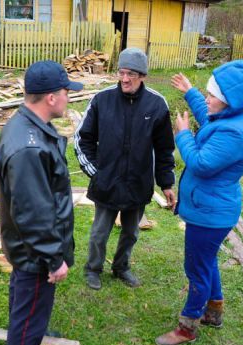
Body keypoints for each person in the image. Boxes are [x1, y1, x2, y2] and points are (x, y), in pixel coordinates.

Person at [155, 60, 243, 345]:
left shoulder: (234, 133)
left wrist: (183, 135)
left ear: (229, 102)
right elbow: (210, 115)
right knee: (207, 260)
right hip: (211, 209)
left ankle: (188, 326)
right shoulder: (231, 117)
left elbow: (200, 163)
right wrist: (191, 92)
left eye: (212, 95)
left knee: (197, 269)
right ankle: (214, 311)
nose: (208, 99)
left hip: (209, 214)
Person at [0, 60, 83, 345]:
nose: (68, 98)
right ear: (50, 98)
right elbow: (32, 213)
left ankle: (33, 329)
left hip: (26, 247)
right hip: (34, 251)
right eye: (65, 93)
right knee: (29, 305)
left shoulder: (26, 125)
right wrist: (53, 258)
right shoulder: (29, 146)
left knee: (28, 302)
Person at [74, 47, 176, 290]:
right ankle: (93, 268)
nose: (125, 79)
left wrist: (167, 183)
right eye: (121, 73)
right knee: (100, 232)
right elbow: (82, 138)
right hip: (106, 182)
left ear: (142, 76)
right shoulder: (102, 99)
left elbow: (164, 149)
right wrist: (95, 172)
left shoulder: (156, 104)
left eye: (131, 74)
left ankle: (121, 267)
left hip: (138, 183)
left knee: (131, 233)